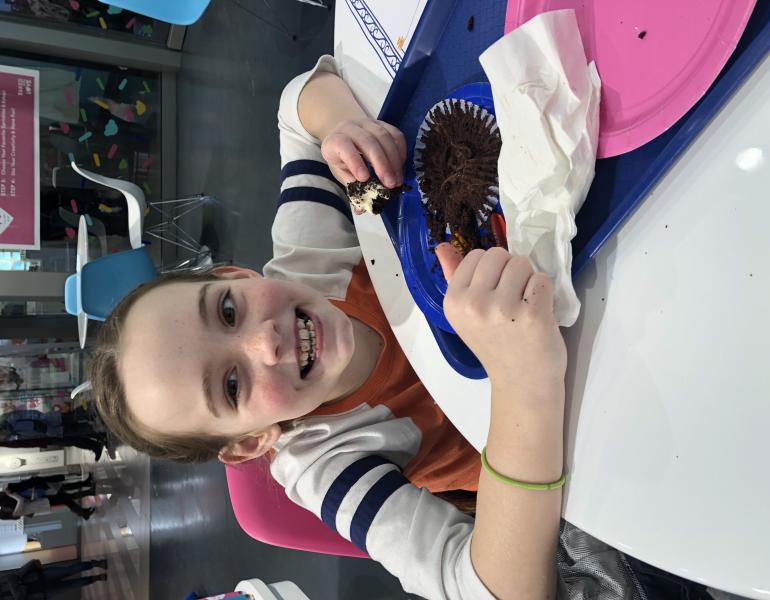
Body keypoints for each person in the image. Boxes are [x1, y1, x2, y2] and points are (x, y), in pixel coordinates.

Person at [87, 56, 656, 599]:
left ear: (234, 275)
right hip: (594, 441)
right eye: (232, 385)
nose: (265, 341)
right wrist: (523, 383)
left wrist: (342, 126)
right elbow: (487, 590)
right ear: (251, 442)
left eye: (228, 311)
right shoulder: (326, 462)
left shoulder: (309, 260)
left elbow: (296, 111)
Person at [0, 558, 107, 599]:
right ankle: (96, 578)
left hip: (40, 576)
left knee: (68, 570)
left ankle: (96, 564)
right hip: (44, 593)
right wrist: (18, 590)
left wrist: (19, 594)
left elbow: (10, 577)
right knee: (72, 585)